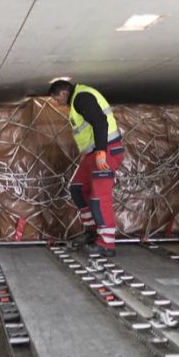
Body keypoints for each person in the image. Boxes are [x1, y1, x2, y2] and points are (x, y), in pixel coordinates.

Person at [48, 79, 125, 256]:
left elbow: (100, 122)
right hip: (92, 153)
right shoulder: (77, 101)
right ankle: (92, 232)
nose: (57, 103)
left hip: (106, 151)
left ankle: (107, 243)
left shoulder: (81, 98)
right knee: (77, 188)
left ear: (63, 93)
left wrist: (100, 152)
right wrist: (88, 152)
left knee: (99, 197)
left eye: (56, 99)